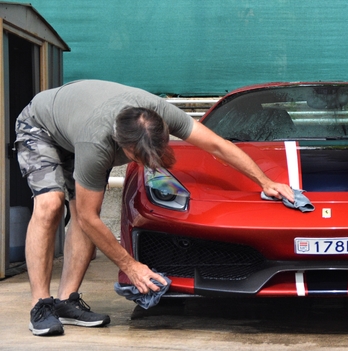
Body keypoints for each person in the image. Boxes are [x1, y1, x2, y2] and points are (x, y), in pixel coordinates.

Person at [15, 80, 295, 336]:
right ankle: (40, 305)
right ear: (122, 146)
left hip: (74, 124)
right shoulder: (96, 142)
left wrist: (265, 181)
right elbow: (90, 219)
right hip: (41, 127)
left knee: (82, 213)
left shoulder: (161, 113)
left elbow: (217, 145)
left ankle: (66, 302)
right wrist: (131, 266)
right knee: (51, 204)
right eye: (139, 157)